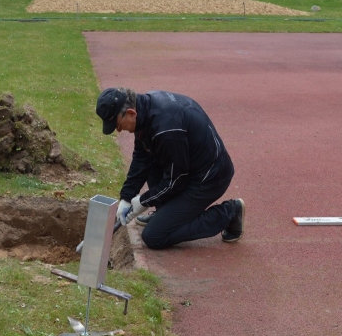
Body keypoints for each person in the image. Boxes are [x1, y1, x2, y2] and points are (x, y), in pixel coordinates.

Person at [96, 87, 245, 250]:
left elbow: (176, 180)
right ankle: (166, 215)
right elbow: (141, 158)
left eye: (118, 125)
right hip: (187, 169)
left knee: (154, 236)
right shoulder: (144, 109)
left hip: (209, 179)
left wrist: (144, 200)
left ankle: (229, 213)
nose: (118, 130)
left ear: (131, 113)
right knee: (151, 159)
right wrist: (126, 197)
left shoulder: (166, 129)